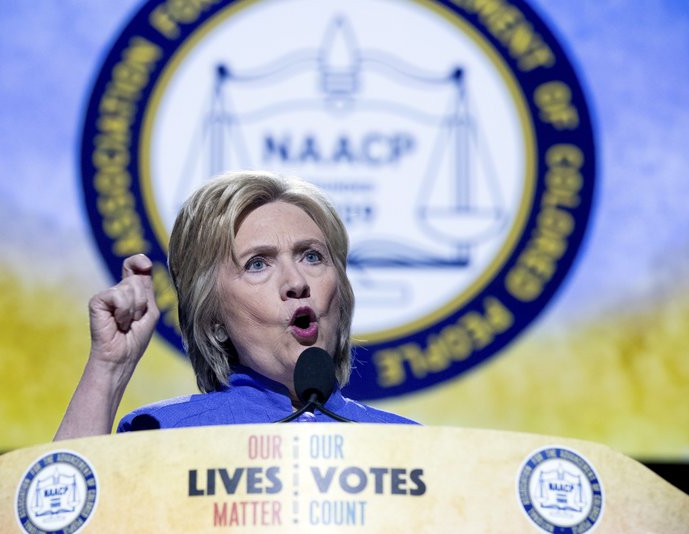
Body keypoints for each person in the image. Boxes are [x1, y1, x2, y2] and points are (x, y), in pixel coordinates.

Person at [55, 170, 417, 440]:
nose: (296, 283)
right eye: (257, 263)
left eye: (311, 256)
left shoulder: (412, 446)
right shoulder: (162, 435)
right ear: (213, 318)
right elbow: (58, 522)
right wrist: (109, 367)